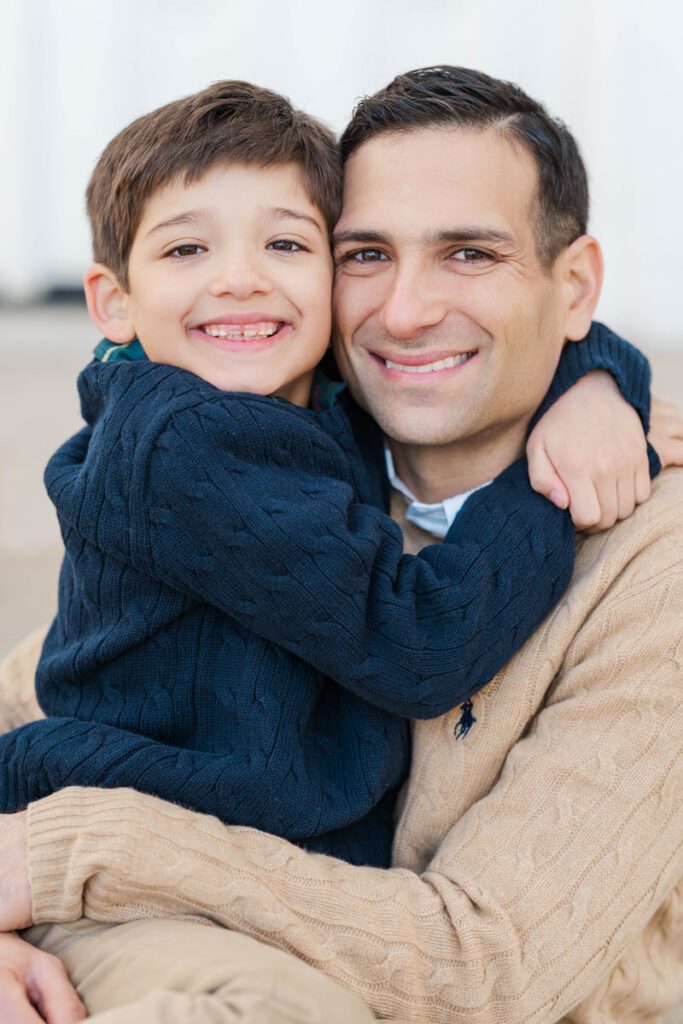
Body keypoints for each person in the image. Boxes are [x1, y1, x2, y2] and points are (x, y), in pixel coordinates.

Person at [1, 66, 683, 1023]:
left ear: (574, 288)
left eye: (469, 255)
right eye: (365, 255)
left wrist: (598, 384)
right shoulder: (271, 440)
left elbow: (491, 970)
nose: (402, 312)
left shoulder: (659, 572)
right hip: (167, 937)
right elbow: (51, 677)